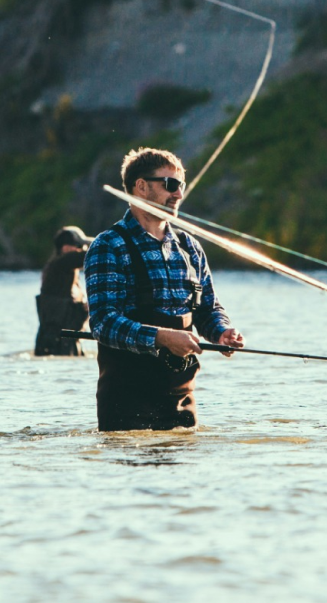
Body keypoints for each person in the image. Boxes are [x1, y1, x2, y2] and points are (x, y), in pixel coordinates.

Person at [84, 147, 243, 431]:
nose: (178, 194)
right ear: (141, 187)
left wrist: (221, 332)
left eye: (181, 186)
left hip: (182, 401)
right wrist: (162, 337)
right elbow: (103, 323)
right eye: (169, 185)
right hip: (127, 403)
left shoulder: (190, 246)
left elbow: (208, 308)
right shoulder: (108, 245)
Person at [35, 225, 92, 356]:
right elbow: (93, 253)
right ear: (66, 248)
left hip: (65, 340)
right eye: (79, 246)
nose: (82, 249)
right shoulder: (61, 264)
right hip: (56, 342)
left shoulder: (64, 270)